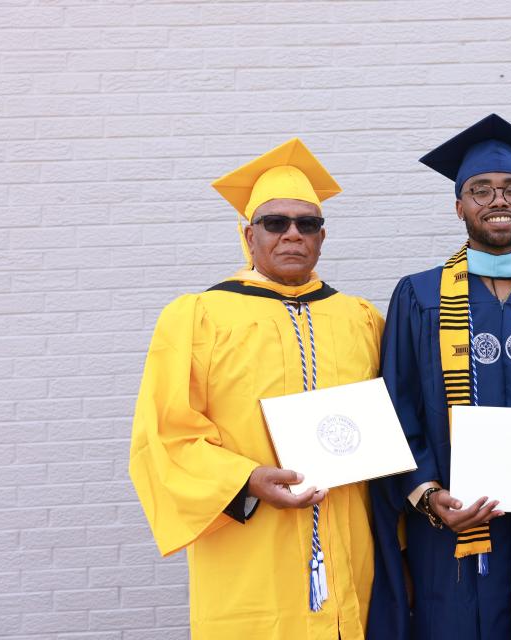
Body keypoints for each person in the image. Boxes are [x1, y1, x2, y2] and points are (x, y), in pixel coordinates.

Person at [129, 138, 384, 639]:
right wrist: (246, 479)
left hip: (350, 539)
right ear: (249, 235)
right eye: (275, 223)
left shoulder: (360, 317)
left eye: (306, 223)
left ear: (322, 236)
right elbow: (164, 436)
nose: (292, 234)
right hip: (252, 548)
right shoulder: (199, 317)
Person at [367, 114, 511, 640]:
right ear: (459, 207)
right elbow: (397, 405)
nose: (499, 201)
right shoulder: (419, 297)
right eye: (481, 190)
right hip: (453, 529)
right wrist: (428, 496)